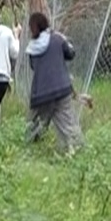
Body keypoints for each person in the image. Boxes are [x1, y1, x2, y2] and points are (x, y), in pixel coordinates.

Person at [23, 11, 82, 152]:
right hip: (62, 89)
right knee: (68, 123)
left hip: (41, 93)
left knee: (34, 124)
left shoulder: (32, 47)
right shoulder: (57, 39)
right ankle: (74, 149)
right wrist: (62, 39)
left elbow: (33, 67)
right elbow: (71, 54)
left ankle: (28, 150)